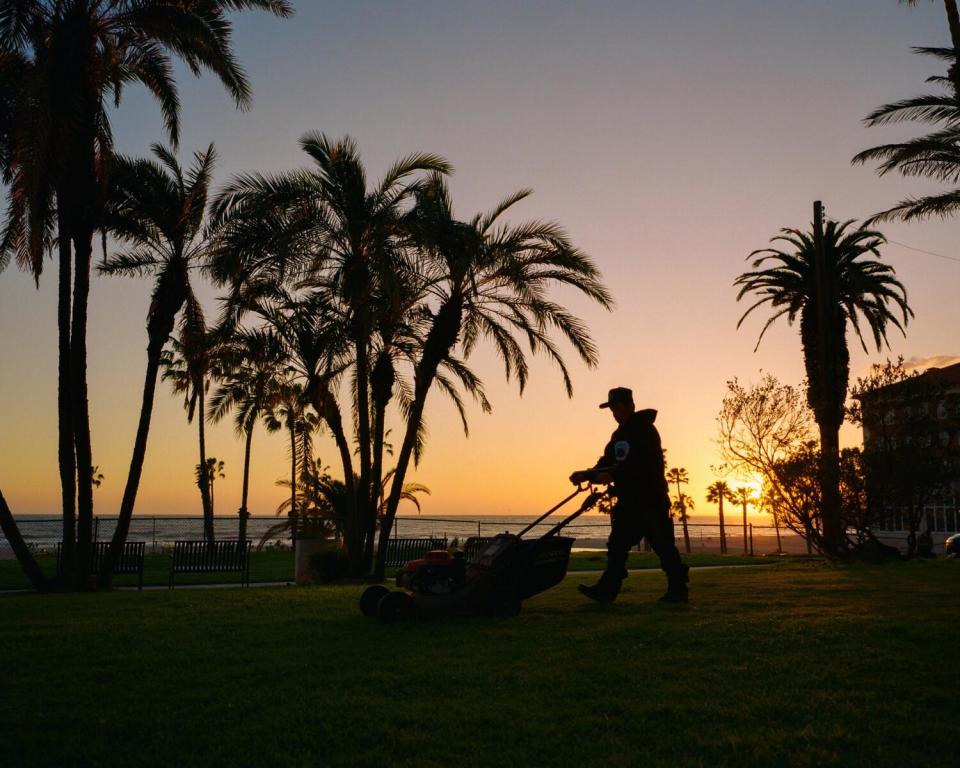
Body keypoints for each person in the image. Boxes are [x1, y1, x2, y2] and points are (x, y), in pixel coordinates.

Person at [569, 387, 689, 604]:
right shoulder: (619, 435)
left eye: (618, 407)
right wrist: (587, 475)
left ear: (630, 406)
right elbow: (607, 462)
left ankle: (678, 589)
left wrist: (611, 474)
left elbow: (638, 465)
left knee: (664, 547)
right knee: (617, 546)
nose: (615, 412)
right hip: (629, 503)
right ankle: (607, 590)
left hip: (651, 501)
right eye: (612, 408)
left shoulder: (646, 431)